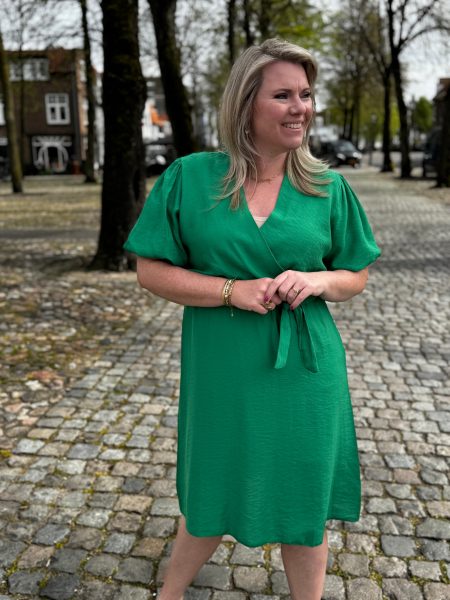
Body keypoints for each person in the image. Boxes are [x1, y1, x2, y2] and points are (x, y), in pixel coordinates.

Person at [124, 38, 381, 600]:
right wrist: (229, 290)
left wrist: (317, 281)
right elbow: (150, 270)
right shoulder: (191, 178)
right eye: (283, 95)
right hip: (223, 366)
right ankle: (169, 595)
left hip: (306, 372)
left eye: (306, 94)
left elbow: (355, 274)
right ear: (245, 103)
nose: (300, 108)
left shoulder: (328, 187)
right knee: (212, 489)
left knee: (303, 503)